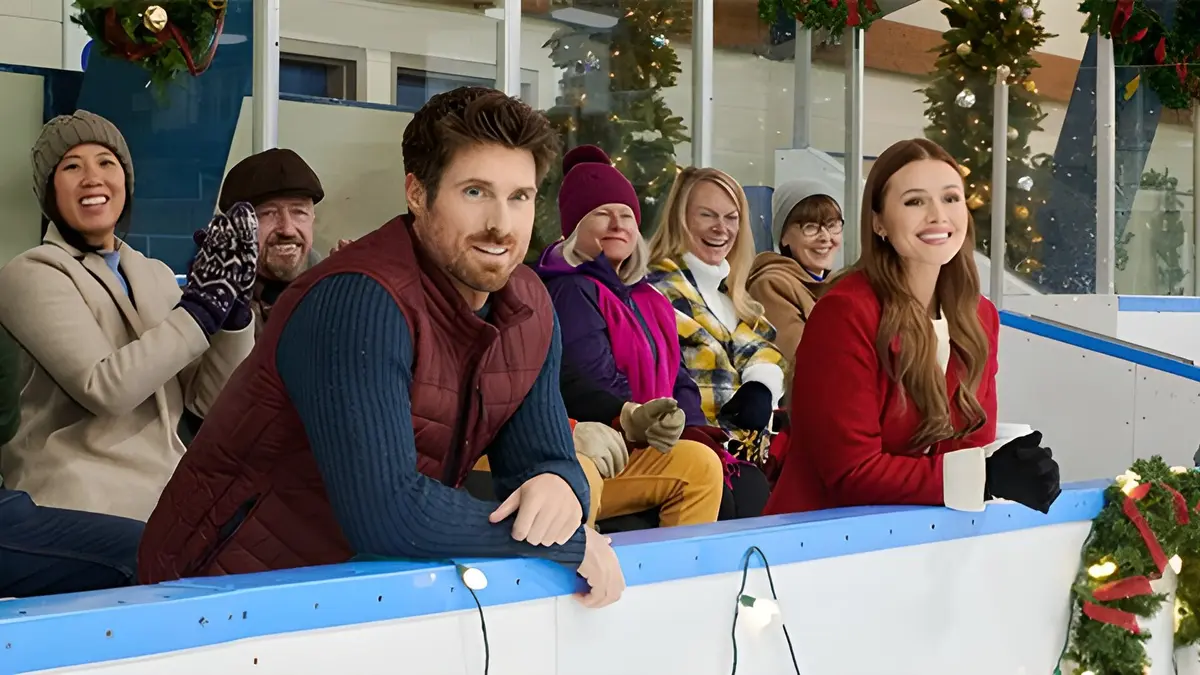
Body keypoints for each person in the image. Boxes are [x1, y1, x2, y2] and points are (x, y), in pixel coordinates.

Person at [137, 87, 625, 608]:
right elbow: (389, 514)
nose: (501, 225)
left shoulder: (527, 305)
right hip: (210, 598)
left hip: (354, 593)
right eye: (476, 193)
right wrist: (569, 544)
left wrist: (557, 486)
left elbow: (543, 458)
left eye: (519, 197)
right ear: (417, 193)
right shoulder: (356, 300)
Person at [764, 138, 1061, 515]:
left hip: (926, 541)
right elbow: (850, 472)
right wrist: (982, 477)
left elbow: (969, 446)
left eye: (951, 198)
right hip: (822, 545)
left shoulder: (978, 316)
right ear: (879, 223)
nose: (938, 215)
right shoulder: (844, 313)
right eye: (915, 201)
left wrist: (1006, 466)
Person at [0, 110, 257, 521]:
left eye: (107, 162)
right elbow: (105, 388)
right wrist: (201, 309)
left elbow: (209, 403)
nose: (92, 178)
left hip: (171, 493)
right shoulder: (30, 273)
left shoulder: (152, 273)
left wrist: (232, 315)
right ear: (48, 192)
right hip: (76, 500)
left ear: (126, 180)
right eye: (71, 166)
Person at [532, 145, 723, 528]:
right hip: (603, 441)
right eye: (602, 214)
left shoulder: (649, 297)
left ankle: (685, 582)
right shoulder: (571, 290)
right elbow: (587, 377)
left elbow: (680, 381)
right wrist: (643, 419)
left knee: (716, 466)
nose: (618, 224)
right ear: (574, 228)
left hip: (649, 439)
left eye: (626, 215)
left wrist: (693, 429)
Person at [646, 167, 782, 518]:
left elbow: (762, 347)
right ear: (681, 219)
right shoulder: (657, 290)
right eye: (707, 215)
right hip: (693, 458)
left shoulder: (733, 294)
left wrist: (761, 386)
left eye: (731, 217)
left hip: (749, 461)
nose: (721, 228)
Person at [217, 148, 325, 335]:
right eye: (268, 213)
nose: (287, 229)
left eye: (299, 212)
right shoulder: (208, 306)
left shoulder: (336, 293)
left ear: (312, 218)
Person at [747, 180, 844, 364]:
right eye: (811, 227)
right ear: (783, 237)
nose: (825, 237)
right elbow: (804, 357)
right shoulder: (771, 285)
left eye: (832, 225)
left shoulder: (839, 283)